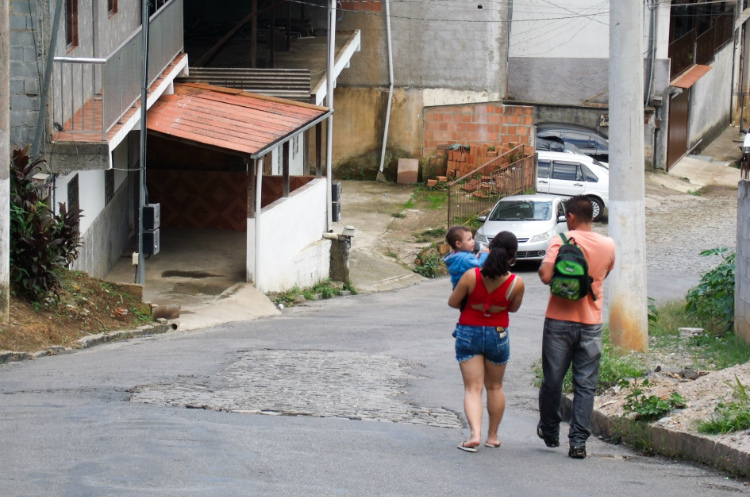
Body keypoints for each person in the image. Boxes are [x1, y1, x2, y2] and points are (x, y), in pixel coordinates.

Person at [536, 195, 616, 459]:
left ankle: (549, 429)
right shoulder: (608, 244)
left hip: (558, 320)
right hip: (591, 323)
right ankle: (578, 442)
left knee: (553, 380)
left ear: (570, 217)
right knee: (585, 385)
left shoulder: (559, 241)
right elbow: (603, 274)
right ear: (591, 217)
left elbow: (546, 276)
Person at [448, 231, 525, 452]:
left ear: (490, 248)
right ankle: (492, 436)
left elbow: (453, 302)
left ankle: (474, 435)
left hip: (468, 331)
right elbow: (514, 308)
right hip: (498, 333)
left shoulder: (472, 275)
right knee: (495, 386)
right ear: (512, 255)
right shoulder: (516, 283)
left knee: (473, 389)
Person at [443, 225, 489, 289]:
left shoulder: (455, 256)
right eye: (469, 239)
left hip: (458, 289)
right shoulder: (465, 258)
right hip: (467, 290)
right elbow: (479, 266)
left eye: (472, 238)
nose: (473, 241)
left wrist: (477, 257)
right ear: (458, 244)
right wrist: (485, 253)